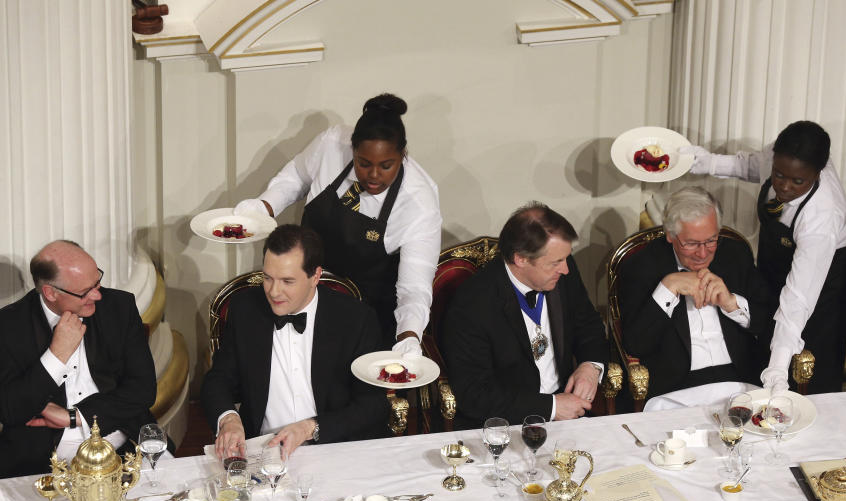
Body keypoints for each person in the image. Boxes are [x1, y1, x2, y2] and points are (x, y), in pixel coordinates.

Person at [233, 93, 441, 354]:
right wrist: (263, 207)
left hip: (363, 318)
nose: (374, 175)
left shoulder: (419, 203)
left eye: (386, 166)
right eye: (363, 164)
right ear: (352, 150)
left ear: (403, 155)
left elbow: (414, 287)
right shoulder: (332, 143)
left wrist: (408, 336)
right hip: (303, 294)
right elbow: (297, 176)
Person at [685, 121, 846, 393]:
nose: (785, 186)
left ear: (818, 172)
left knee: (812, 355)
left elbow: (797, 299)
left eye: (798, 181)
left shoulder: (822, 217)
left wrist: (777, 369)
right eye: (779, 175)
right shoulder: (783, 154)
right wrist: (703, 162)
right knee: (764, 324)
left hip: (830, 274)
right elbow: (753, 166)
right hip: (780, 252)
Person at [202, 224, 388, 460]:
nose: (274, 292)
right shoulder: (245, 310)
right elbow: (217, 380)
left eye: (287, 281)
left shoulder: (356, 319)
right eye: (267, 278)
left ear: (315, 276)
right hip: (265, 453)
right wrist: (229, 418)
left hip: (336, 449)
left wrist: (311, 427)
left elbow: (373, 406)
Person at [441, 202, 608, 427]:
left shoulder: (564, 271)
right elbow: (475, 394)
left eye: (566, 259)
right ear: (521, 259)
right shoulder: (471, 305)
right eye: (556, 262)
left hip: (570, 415)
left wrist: (590, 366)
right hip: (504, 426)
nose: (566, 269)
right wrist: (552, 407)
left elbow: (588, 323)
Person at [0, 241, 157, 479]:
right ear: (51, 293)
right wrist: (56, 356)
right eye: (85, 291)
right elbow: (10, 410)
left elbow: (143, 390)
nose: (97, 294)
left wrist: (75, 417)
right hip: (43, 461)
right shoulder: (9, 326)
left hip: (121, 443)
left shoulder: (119, 307)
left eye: (97, 282)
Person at [619, 187, 773, 400]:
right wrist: (668, 286)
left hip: (739, 380)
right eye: (691, 244)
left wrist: (732, 304)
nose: (702, 253)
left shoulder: (735, 254)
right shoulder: (641, 265)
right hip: (677, 388)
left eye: (711, 240)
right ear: (671, 235)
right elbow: (635, 343)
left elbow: (768, 321)